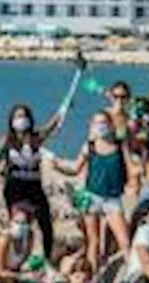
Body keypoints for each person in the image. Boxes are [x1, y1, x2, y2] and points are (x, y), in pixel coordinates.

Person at [54, 112, 135, 271]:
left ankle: (132, 273)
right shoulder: (89, 146)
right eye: (97, 123)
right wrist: (58, 166)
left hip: (112, 199)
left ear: (111, 124)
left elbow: (130, 165)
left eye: (104, 122)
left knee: (124, 240)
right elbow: (76, 168)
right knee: (93, 241)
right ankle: (92, 275)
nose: (101, 126)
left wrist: (134, 182)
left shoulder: (119, 145)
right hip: (92, 196)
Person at [0, 103, 64, 259]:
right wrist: (0, 169)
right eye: (18, 116)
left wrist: (61, 112)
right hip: (15, 186)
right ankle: (14, 255)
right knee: (19, 223)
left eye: (24, 116)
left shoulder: (36, 138)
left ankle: (46, 256)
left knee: (45, 222)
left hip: (34, 186)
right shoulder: (7, 139)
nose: (21, 119)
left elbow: (49, 128)